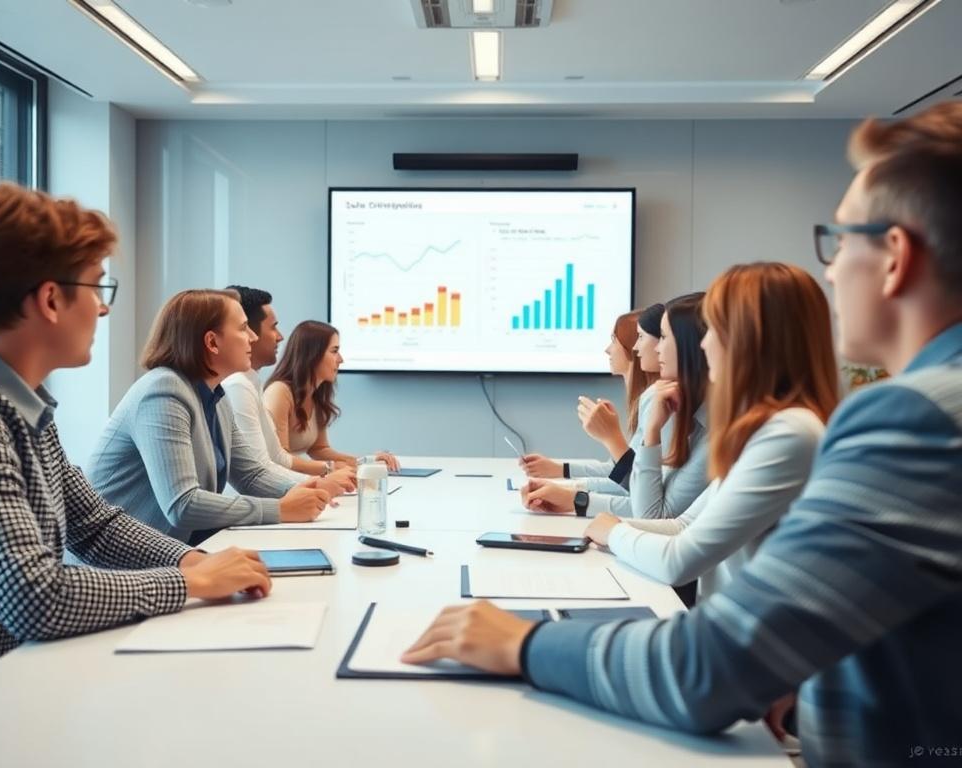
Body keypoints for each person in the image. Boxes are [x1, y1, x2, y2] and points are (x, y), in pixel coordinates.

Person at [402, 101, 962, 767]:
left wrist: (520, 643)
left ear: (895, 257)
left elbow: (707, 670)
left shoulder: (917, 418)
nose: (833, 270)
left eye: (839, 242)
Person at [0, 183, 271, 693]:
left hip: (16, 680)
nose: (104, 309)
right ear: (51, 298)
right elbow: (34, 597)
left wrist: (193, 560)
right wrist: (188, 582)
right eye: (97, 288)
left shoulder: (20, 400)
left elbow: (94, 524)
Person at [584, 263, 839, 600]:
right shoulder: (763, 428)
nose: (702, 345)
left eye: (713, 329)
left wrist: (614, 533)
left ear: (750, 338)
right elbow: (684, 526)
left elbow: (679, 561)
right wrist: (604, 523)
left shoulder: (789, 434)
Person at [87, 290, 331, 545]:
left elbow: (251, 474)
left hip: (170, 550)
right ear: (212, 343)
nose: (253, 337)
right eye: (244, 328)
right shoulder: (163, 391)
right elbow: (182, 504)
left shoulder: (217, 394)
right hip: (119, 567)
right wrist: (279, 509)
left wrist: (311, 489)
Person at [521, 294, 710, 520]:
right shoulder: (673, 404)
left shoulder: (683, 415)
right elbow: (641, 488)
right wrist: (569, 487)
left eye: (663, 337)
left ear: (690, 345)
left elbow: (650, 508)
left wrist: (576, 496)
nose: (654, 348)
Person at [221, 285, 356, 492]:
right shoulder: (243, 386)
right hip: (257, 500)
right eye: (273, 327)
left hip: (269, 494)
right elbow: (258, 472)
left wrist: (358, 464)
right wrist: (324, 476)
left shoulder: (251, 382)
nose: (280, 336)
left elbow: (274, 458)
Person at [520, 304, 663, 479]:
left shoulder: (656, 402)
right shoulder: (645, 401)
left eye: (614, 340)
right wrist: (561, 471)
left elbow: (634, 481)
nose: (608, 349)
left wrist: (611, 437)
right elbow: (619, 470)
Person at [263, 320, 400, 471]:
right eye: (334, 351)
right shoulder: (279, 392)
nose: (341, 359)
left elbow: (319, 449)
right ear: (312, 355)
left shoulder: (316, 394)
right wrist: (330, 468)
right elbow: (280, 460)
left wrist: (367, 461)